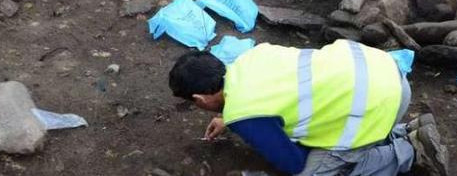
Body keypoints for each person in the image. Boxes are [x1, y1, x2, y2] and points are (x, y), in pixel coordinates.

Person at [169, 39, 418, 176]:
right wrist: (232, 120)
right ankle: (409, 130)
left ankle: (410, 151)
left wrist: (242, 123)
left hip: (378, 103)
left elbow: (293, 163)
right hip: (386, 71)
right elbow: (278, 94)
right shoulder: (250, 58)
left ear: (199, 98)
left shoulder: (243, 114)